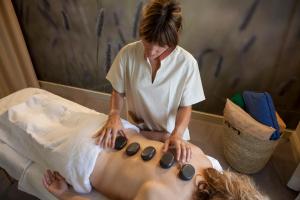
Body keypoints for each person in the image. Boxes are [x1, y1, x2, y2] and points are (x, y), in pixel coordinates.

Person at [94, 0, 205, 163]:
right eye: (147, 42)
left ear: (174, 38)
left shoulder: (187, 64)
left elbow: (185, 106)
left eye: (160, 45)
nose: (151, 51)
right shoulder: (128, 54)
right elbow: (118, 91)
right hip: (137, 131)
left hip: (170, 134)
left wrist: (178, 134)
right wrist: (114, 114)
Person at [43, 129, 267, 200]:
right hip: (82, 160)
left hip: (113, 130)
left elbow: (161, 136)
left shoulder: (205, 161)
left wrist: (133, 130)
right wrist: (64, 195)